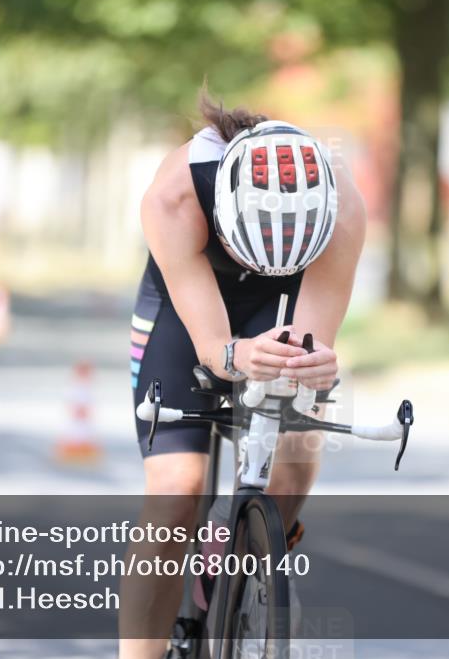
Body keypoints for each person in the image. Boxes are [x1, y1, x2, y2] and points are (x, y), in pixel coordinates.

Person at [119, 94, 367, 659]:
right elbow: (211, 346)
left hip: (281, 301)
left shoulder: (343, 203)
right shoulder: (176, 194)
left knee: (300, 443)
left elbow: (309, 346)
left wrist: (313, 363)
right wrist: (233, 356)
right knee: (176, 491)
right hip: (186, 308)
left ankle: (241, 560)